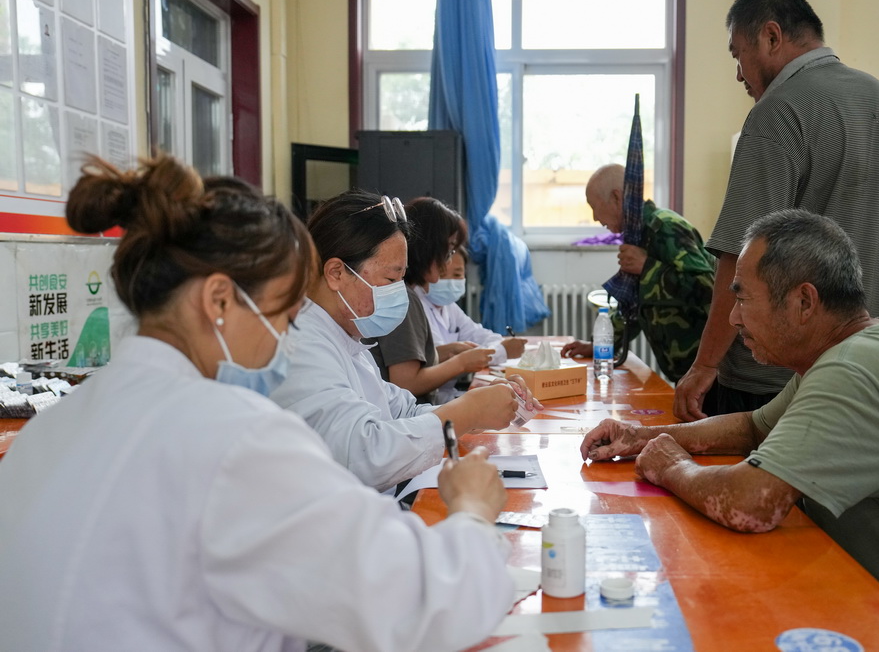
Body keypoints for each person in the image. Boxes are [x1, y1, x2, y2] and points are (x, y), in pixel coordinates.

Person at [0, 156, 515, 652]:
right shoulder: (234, 439)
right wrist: (471, 510)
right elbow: (435, 600)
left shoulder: (51, 427)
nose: (284, 344)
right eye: (281, 318)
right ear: (219, 301)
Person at [582, 210, 879, 652]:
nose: (734, 319)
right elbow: (755, 427)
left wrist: (672, 466)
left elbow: (752, 504)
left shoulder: (853, 371)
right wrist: (642, 437)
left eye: (743, 299)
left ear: (804, 302)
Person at [673, 0, 879, 422]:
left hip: (773, 380)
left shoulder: (776, 113)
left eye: (738, 55)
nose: (739, 73)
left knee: (752, 488)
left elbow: (735, 257)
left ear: (771, 36)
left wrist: (704, 365)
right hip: (862, 367)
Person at [270, 191, 538, 493]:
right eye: (390, 279)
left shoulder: (346, 338)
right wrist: (468, 412)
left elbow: (400, 411)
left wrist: (479, 406)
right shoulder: (303, 344)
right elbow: (364, 455)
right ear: (335, 273)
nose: (400, 292)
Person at [561, 164, 717, 385]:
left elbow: (707, 289)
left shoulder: (664, 227)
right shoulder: (637, 235)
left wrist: (647, 266)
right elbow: (634, 305)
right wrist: (598, 346)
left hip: (712, 375)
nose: (595, 217)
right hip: (685, 375)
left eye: (594, 206)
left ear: (617, 197)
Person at [370, 197, 494, 404]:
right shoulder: (404, 299)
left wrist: (446, 352)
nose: (451, 256)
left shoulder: (409, 295)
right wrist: (461, 363)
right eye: (450, 247)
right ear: (429, 247)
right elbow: (406, 383)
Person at [420, 245, 528, 403]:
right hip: (431, 401)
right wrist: (502, 351)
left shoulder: (449, 307)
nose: (450, 282)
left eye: (457, 274)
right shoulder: (417, 306)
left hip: (449, 395)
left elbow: (483, 335)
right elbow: (440, 359)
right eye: (443, 274)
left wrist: (483, 351)